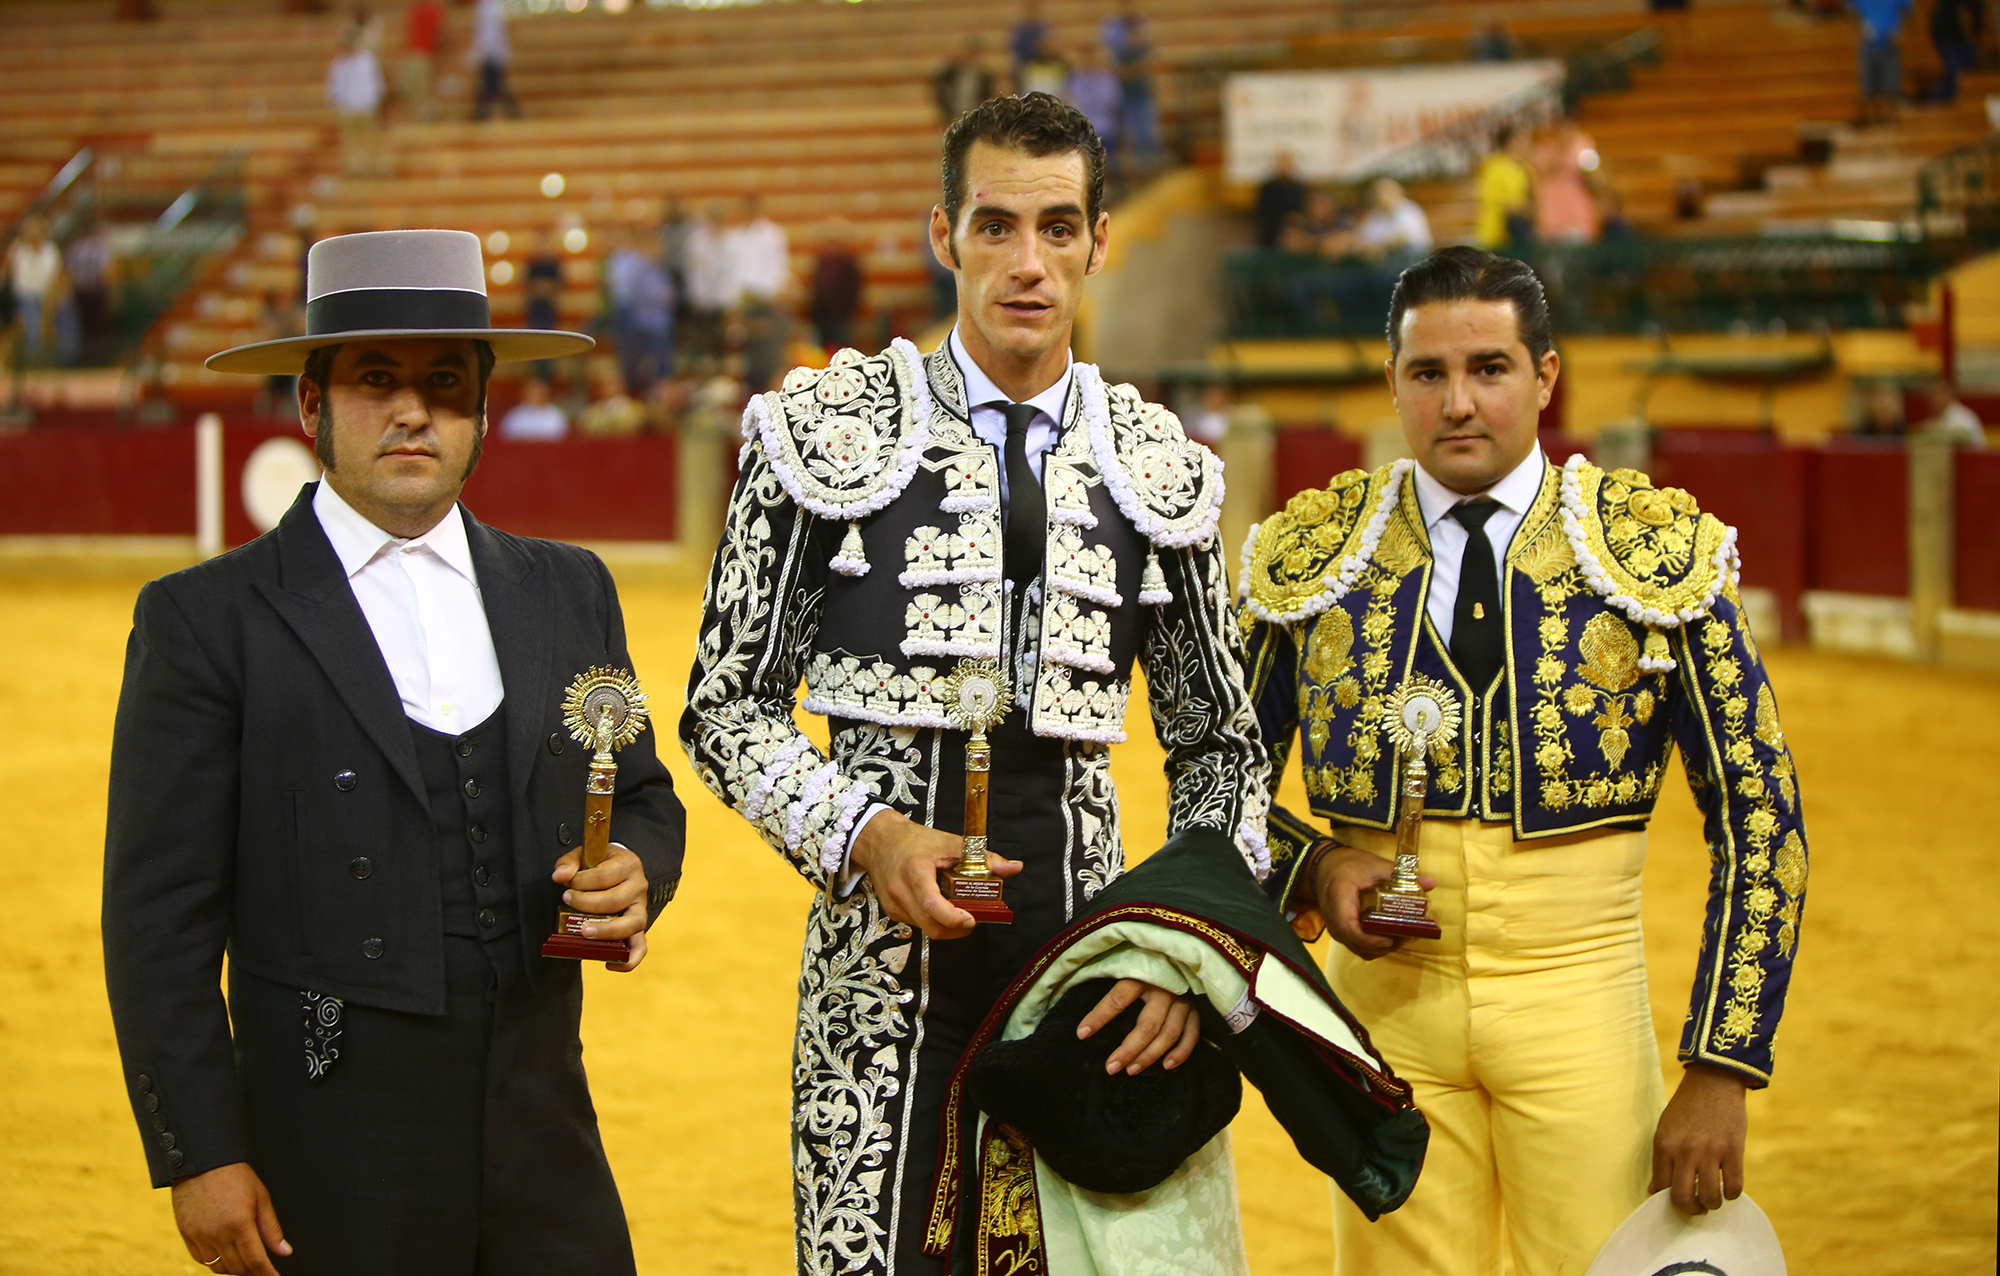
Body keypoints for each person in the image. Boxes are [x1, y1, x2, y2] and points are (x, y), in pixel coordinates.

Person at [679, 92, 1269, 1276]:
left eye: (1058, 229)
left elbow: (1223, 750)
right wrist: (864, 831)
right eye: (995, 226)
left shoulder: (1159, 468)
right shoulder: (821, 432)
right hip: (877, 975)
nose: (1028, 264)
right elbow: (723, 703)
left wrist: (1182, 956)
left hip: (1090, 976)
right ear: (941, 235)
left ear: (1101, 241)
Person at [103, 229, 686, 1276]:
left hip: (540, 1122)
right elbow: (159, 920)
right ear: (311, 406)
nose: (414, 411)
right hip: (330, 1140)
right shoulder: (206, 620)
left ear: (482, 408)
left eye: (444, 383)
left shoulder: (567, 589)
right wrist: (198, 1151)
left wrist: (641, 867)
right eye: (377, 380)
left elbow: (641, 795)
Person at [1238, 246, 1809, 1276]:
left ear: (1544, 377)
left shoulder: (1652, 556)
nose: (1458, 402)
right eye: (1427, 374)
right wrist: (1314, 869)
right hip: (1380, 1013)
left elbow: (1757, 814)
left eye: (1489, 369)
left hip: (1577, 1000)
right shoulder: (1313, 561)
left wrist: (1721, 1065)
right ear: (1391, 382)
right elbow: (1217, 787)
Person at [718, 195, 790, 393]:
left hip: (766, 300)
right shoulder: (734, 238)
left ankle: (770, 393)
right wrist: (732, 305)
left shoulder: (772, 234)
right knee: (741, 353)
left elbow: (779, 267)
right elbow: (730, 272)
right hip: (742, 301)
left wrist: (774, 297)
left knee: (769, 354)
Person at [604, 226, 675, 394]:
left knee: (660, 367)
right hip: (640, 323)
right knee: (635, 366)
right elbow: (629, 294)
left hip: (657, 323)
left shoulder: (657, 268)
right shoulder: (634, 264)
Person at [325, 33, 386, 177]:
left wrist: (373, 102)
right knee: (350, 142)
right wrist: (338, 104)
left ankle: (375, 168)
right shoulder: (338, 63)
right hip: (347, 110)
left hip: (366, 108)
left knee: (371, 140)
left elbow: (376, 83)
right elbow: (334, 86)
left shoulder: (367, 61)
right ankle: (355, 170)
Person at [1534, 116, 1601, 243]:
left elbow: (1590, 170)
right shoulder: (1544, 145)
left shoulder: (1582, 143)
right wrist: (1562, 149)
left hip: (1576, 207)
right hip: (1550, 208)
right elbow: (1543, 169)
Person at [5, 214, 62, 361]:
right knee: (29, 322)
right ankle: (30, 357)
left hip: (45, 297)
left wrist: (48, 309)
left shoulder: (51, 251)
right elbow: (8, 274)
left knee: (62, 315)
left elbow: (56, 280)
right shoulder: (18, 250)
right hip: (22, 298)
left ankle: (58, 357)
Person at [806, 219, 863, 353]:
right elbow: (816, 287)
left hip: (842, 316)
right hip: (821, 315)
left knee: (841, 352)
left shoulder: (849, 262)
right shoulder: (821, 261)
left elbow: (854, 289)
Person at [1476, 123, 1536, 250]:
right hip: (1499, 234)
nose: (1528, 144)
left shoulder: (1524, 167)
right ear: (1511, 142)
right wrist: (1522, 207)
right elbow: (1496, 198)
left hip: (1520, 233)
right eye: (1523, 140)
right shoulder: (1494, 166)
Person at [1854, 0, 1912, 125]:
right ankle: (1872, 126)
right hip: (1868, 47)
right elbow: (1849, 11)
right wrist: (1858, 30)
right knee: (1868, 91)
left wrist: (1900, 29)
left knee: (1890, 90)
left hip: (1890, 46)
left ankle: (1889, 125)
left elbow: (1909, 11)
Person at [1351, 177, 1434, 259]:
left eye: (1385, 193)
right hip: (1384, 259)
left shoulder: (1407, 209)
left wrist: (1379, 246)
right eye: (1377, 193)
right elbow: (1363, 236)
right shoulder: (1375, 214)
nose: (1380, 197)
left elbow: (1403, 237)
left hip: (1411, 257)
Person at [471, 0, 521, 121]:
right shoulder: (485, 7)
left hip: (492, 53)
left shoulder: (491, 8)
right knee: (493, 86)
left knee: (492, 87)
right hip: (491, 53)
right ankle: (514, 114)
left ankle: (480, 116)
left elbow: (492, 34)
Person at [398, 0, 445, 122]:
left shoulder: (430, 9)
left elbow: (437, 34)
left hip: (423, 54)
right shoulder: (418, 8)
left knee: (420, 92)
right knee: (415, 91)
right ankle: (419, 117)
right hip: (418, 54)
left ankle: (422, 118)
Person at [933, 34, 995, 125]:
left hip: (974, 116)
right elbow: (940, 90)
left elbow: (988, 97)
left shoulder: (985, 76)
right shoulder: (951, 72)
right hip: (952, 114)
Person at [1928, 0, 1982, 103]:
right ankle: (1936, 101)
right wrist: (1971, 39)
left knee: (1959, 72)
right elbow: (1964, 14)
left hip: (1956, 35)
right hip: (1949, 34)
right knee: (1957, 72)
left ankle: (1943, 100)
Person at [1254, 151, 1309, 249]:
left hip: (1296, 233)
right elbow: (1262, 211)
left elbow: (1304, 208)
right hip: (1271, 233)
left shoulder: (1299, 187)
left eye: (1287, 162)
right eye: (1281, 162)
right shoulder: (1268, 187)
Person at [1917, 378, 1984, 444]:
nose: (1932, 399)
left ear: (1948, 394)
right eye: (1929, 395)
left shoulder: (1961, 415)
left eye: (1936, 393)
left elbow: (1963, 435)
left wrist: (1934, 428)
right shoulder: (1941, 416)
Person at [498, 376, 568, 440]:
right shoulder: (514, 415)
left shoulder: (556, 415)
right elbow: (506, 435)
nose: (534, 395)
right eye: (531, 391)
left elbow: (561, 436)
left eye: (538, 391)